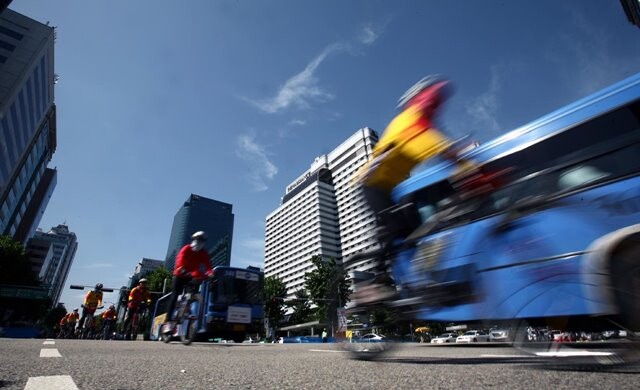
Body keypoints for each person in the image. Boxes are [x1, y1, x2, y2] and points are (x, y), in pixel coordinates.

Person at [354, 75, 480, 304]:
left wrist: (464, 163)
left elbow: (438, 145)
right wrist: (467, 164)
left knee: (417, 235)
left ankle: (419, 281)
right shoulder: (409, 122)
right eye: (433, 102)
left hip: (391, 189)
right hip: (371, 184)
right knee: (395, 229)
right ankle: (374, 284)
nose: (436, 107)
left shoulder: (423, 125)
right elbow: (437, 147)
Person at [162, 231, 213, 333]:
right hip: (180, 275)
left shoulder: (203, 253)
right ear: (194, 240)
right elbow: (179, 261)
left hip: (192, 276)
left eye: (202, 241)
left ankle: (187, 306)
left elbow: (208, 266)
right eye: (198, 240)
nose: (200, 242)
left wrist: (211, 274)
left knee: (194, 290)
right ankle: (168, 322)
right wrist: (182, 269)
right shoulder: (186, 249)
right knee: (175, 295)